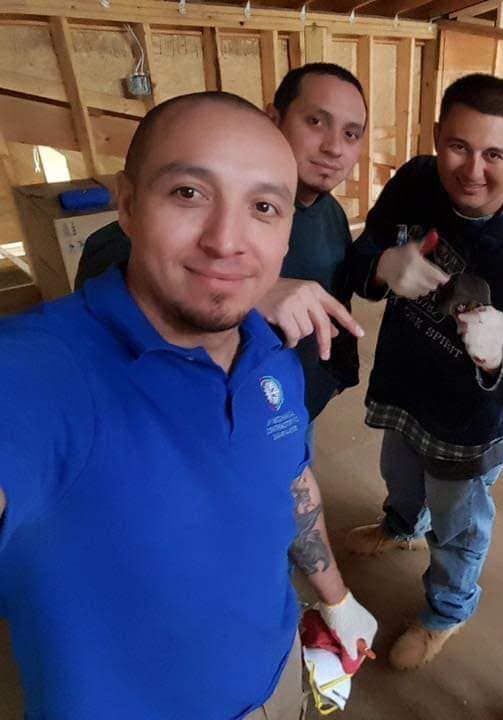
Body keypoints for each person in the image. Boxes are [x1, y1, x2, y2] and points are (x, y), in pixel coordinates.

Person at [0, 92, 376, 720]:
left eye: (262, 207)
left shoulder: (271, 354)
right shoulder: (45, 371)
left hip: (279, 684)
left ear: (287, 235)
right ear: (125, 204)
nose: (226, 241)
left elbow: (286, 479)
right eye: (188, 193)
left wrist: (334, 597)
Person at [342, 73, 503, 669]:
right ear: (436, 135)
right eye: (459, 146)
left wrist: (495, 355)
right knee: (400, 473)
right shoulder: (416, 179)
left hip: (470, 422)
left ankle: (448, 611)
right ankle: (400, 524)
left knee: (459, 525)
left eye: (495, 154)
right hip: (408, 381)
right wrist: (385, 263)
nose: (473, 170)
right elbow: (362, 254)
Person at [75, 63, 368, 418]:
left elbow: (338, 300)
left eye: (351, 134)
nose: (334, 147)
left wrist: (337, 375)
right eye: (316, 122)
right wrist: (254, 292)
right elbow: (109, 262)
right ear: (273, 118)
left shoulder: (332, 213)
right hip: (201, 412)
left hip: (291, 405)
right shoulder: (117, 247)